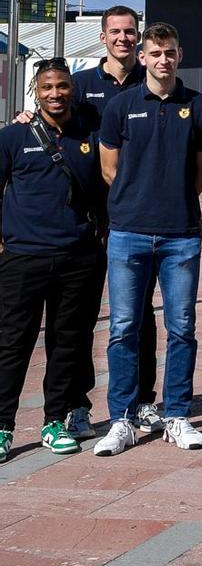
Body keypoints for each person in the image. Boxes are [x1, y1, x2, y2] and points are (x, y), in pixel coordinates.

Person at [93, 23, 202, 455]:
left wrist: (173, 200)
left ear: (179, 55)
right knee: (124, 328)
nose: (163, 60)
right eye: (155, 53)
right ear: (142, 58)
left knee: (181, 328)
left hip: (180, 235)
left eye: (169, 53)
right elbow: (110, 169)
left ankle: (177, 415)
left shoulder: (199, 106)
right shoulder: (122, 106)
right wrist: (137, 202)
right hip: (128, 232)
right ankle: (122, 419)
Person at [0, 60, 106, 459]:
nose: (55, 94)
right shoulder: (12, 136)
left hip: (77, 257)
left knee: (68, 343)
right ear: (35, 90)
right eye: (47, 87)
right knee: (12, 344)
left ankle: (54, 421)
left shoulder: (89, 134)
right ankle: (2, 426)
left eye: (62, 86)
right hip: (23, 258)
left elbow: (103, 184)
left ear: (72, 90)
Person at [66, 7, 155, 440]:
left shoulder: (152, 79)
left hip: (138, 217)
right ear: (102, 37)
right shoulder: (81, 87)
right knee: (81, 316)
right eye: (115, 32)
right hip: (88, 219)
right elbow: (55, 123)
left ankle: (142, 401)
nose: (123, 38)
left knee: (141, 317)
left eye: (130, 32)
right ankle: (77, 405)